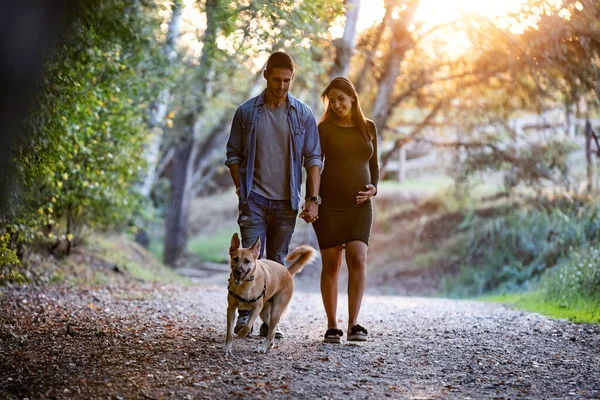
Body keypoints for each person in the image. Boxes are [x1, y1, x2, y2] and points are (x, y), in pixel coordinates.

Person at [225, 51, 322, 339]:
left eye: (287, 80)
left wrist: (313, 199)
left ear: (293, 79)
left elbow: (314, 158)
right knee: (249, 257)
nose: (281, 86)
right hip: (253, 198)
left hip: (286, 202)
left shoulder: (302, 114)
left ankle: (268, 320)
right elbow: (233, 154)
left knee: (278, 261)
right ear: (266, 75)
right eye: (277, 79)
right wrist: (241, 188)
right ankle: (245, 318)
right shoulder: (246, 113)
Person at [311, 77, 379, 343]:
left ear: (353, 97)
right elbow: (315, 166)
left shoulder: (369, 127)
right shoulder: (324, 129)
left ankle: (354, 324)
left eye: (342, 98)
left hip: (360, 206)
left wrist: (374, 188)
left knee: (358, 258)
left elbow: (374, 166)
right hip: (330, 206)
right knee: (331, 265)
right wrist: (312, 199)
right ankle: (332, 325)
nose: (337, 104)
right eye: (333, 100)